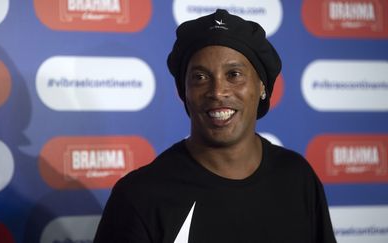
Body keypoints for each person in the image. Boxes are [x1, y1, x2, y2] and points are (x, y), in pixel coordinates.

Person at [93, 9, 337, 243]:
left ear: (262, 86)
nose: (218, 91)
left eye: (234, 74)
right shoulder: (140, 196)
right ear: (184, 92)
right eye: (200, 77)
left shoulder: (297, 177)